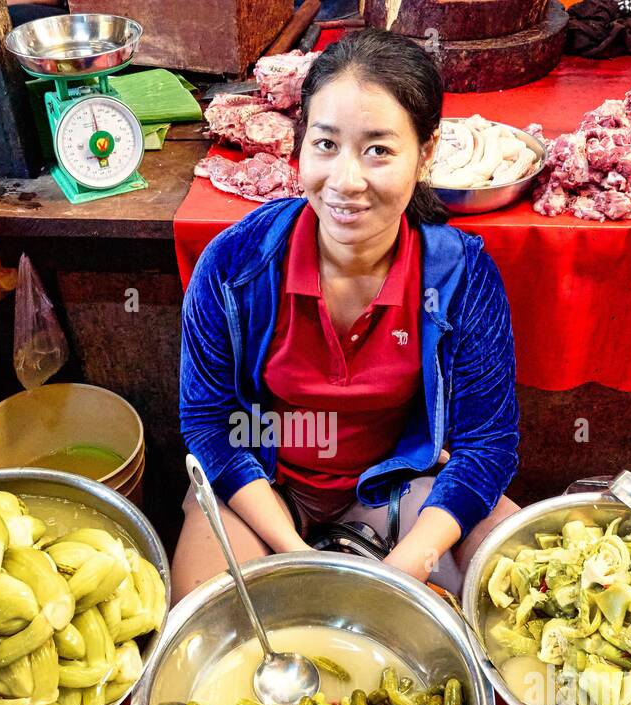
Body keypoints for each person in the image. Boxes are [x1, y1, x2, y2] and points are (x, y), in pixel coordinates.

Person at [174, 29, 520, 601]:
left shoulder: (459, 274)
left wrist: (407, 565)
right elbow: (210, 424)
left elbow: (487, 444)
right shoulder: (236, 264)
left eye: (379, 150)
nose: (346, 182)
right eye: (326, 144)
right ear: (301, 143)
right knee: (208, 625)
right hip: (265, 487)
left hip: (399, 485)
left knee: (511, 589)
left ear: (426, 153)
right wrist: (295, 553)